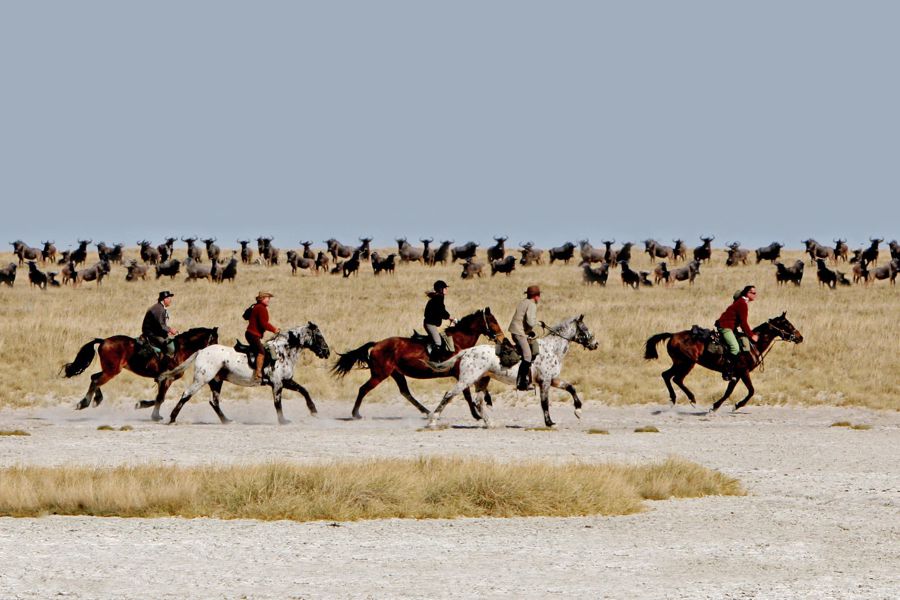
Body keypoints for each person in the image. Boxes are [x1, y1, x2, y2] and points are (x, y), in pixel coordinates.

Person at [716, 284, 758, 380]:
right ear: (748, 293)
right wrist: (751, 335)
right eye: (754, 293)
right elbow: (744, 323)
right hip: (725, 327)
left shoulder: (742, 302)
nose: (755, 295)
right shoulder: (742, 304)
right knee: (735, 348)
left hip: (731, 328)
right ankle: (727, 371)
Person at [508, 285, 540, 391]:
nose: (539, 298)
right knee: (528, 356)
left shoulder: (524, 302)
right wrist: (538, 323)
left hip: (516, 330)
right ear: (536, 296)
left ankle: (528, 380)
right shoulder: (532, 304)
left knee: (529, 353)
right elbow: (530, 321)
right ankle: (521, 383)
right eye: (538, 295)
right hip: (519, 332)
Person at [246, 291, 280, 383]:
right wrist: (274, 329)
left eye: (269, 298)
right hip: (253, 334)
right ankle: (258, 373)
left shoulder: (258, 307)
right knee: (261, 352)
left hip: (251, 334)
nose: (269, 300)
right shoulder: (261, 308)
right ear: (262, 298)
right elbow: (264, 324)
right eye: (267, 298)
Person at [424, 280, 456, 359]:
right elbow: (441, 311)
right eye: (445, 288)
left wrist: (449, 318)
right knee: (438, 342)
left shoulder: (438, 297)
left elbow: (441, 311)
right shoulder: (438, 298)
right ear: (440, 289)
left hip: (433, 323)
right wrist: (449, 317)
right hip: (430, 324)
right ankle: (433, 360)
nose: (446, 289)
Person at [141, 290, 177, 357]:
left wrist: (167, 331)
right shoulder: (159, 309)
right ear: (164, 299)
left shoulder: (159, 307)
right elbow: (161, 325)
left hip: (155, 332)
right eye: (169, 298)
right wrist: (170, 330)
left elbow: (159, 325)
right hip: (152, 334)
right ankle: (164, 365)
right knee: (170, 348)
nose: (170, 300)